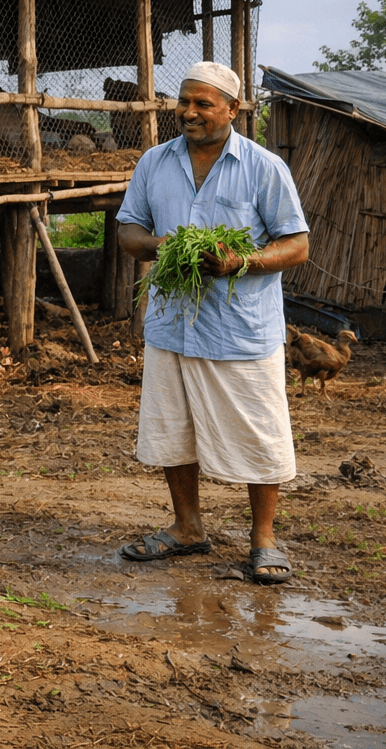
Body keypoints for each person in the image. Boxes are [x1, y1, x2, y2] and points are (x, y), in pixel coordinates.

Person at [116, 61, 310, 584]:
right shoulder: (155, 163)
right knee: (171, 431)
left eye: (203, 104)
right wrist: (165, 245)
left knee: (260, 434)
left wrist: (239, 262)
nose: (189, 112)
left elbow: (296, 245)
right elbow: (129, 234)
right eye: (184, 102)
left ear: (233, 109)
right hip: (172, 324)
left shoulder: (264, 167)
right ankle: (187, 528)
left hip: (239, 329)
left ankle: (264, 538)